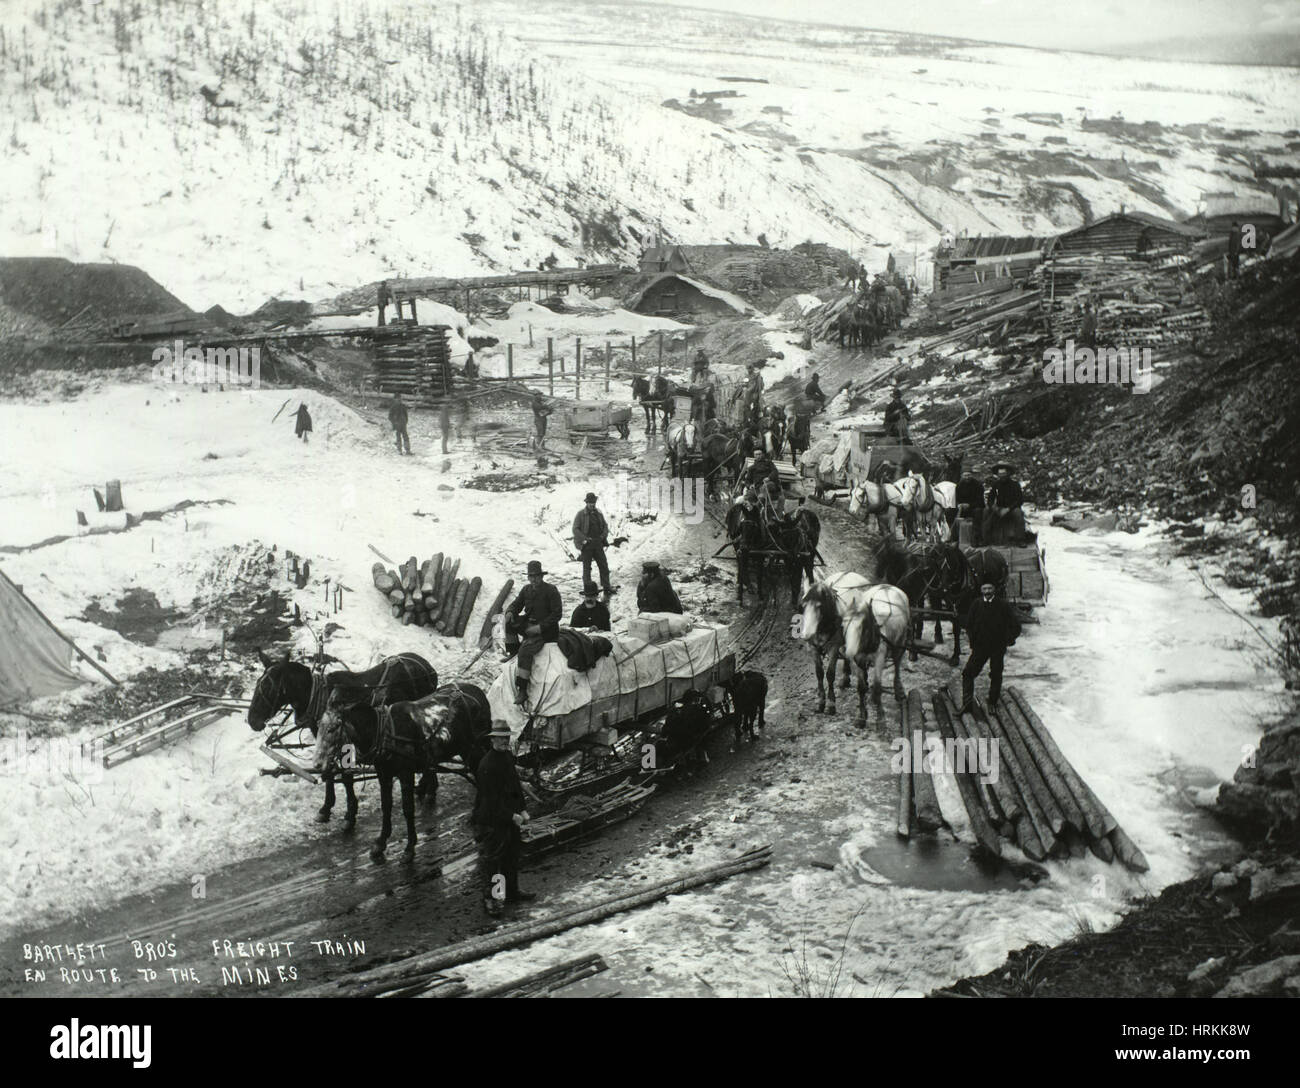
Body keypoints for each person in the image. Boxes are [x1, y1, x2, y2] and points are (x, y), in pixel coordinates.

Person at [472, 720, 533, 917]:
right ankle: (494, 899)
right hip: (491, 820)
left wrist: (522, 809)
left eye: (506, 737)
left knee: (511, 856)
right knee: (493, 861)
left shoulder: (507, 756)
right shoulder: (486, 765)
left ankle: (512, 892)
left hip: (510, 817)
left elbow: (515, 786)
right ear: (492, 740)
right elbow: (490, 800)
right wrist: (511, 815)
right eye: (500, 738)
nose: (504, 741)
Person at [504, 560, 562, 705]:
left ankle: (522, 689)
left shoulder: (551, 590)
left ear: (541, 576)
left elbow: (557, 614)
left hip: (546, 630)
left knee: (526, 650)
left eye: (536, 576)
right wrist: (510, 612)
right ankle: (512, 652)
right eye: (531, 576)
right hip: (529, 623)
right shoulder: (526, 590)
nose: (533, 579)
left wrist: (540, 627)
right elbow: (516, 604)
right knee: (509, 623)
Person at [959, 582, 1021, 712]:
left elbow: (1016, 626)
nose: (987, 591)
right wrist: (973, 641)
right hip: (980, 647)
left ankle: (992, 703)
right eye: (984, 588)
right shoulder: (976, 604)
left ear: (994, 590)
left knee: (996, 674)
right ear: (981, 590)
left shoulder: (1003, 605)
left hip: (997, 647)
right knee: (968, 673)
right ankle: (967, 704)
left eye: (989, 588)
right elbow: (968, 624)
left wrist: (1008, 640)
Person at [572, 492, 615, 596]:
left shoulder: (598, 513)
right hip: (587, 545)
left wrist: (602, 536)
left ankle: (606, 587)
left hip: (598, 544)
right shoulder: (581, 514)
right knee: (587, 568)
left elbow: (605, 526)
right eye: (590, 502)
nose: (592, 504)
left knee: (603, 565)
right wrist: (585, 539)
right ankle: (588, 589)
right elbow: (575, 529)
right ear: (586, 503)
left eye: (593, 502)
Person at [982, 462, 1027, 546]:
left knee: (1018, 513)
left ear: (1008, 474)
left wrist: (1008, 509)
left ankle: (1020, 539)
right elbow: (990, 499)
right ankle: (985, 538)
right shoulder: (996, 484)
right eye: (1000, 474)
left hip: (1011, 508)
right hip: (999, 508)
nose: (1002, 476)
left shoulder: (1015, 484)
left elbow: (1019, 500)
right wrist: (994, 508)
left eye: (1004, 474)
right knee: (986, 511)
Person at [955, 470, 986, 546]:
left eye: (969, 475)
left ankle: (977, 538)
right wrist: (960, 504)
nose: (967, 477)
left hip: (975, 507)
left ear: (972, 475)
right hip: (964, 508)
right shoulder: (959, 485)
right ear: (962, 476)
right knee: (950, 512)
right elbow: (958, 499)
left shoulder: (978, 485)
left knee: (977, 513)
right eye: (965, 475)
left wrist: (969, 505)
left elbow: (980, 500)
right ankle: (954, 537)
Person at [689, 351, 718, 422]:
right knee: (691, 400)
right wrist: (693, 386)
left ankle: (711, 415)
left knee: (710, 400)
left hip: (705, 391)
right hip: (697, 391)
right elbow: (692, 382)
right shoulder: (694, 373)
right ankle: (690, 416)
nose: (699, 366)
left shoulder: (707, 372)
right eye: (698, 364)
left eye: (701, 364)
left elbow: (710, 382)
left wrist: (707, 386)